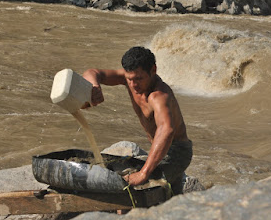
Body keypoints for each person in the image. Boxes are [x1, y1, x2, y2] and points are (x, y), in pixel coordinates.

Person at [82, 46, 192, 194]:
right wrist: (94, 86)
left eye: (139, 79)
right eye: (129, 79)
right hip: (158, 147)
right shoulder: (130, 80)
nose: (133, 85)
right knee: (172, 195)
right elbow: (92, 72)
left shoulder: (158, 96)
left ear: (153, 70)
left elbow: (166, 130)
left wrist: (143, 173)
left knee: (139, 188)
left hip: (177, 152)